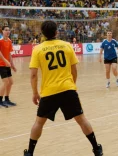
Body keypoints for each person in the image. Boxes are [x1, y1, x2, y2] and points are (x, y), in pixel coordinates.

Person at [24, 21, 103, 156]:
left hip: (49, 91)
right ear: (56, 32)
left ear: (43, 34)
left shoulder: (37, 49)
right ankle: (96, 148)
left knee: (39, 122)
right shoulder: (67, 46)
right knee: (82, 120)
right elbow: (74, 70)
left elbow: (33, 75)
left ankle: (30, 152)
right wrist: (72, 86)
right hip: (68, 89)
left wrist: (35, 93)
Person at [0, 25, 17, 108]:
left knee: (11, 82)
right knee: (6, 82)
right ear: (2, 31)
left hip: (7, 65)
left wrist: (12, 64)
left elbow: (9, 53)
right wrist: (5, 61)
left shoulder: (9, 41)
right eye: (6, 30)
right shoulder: (0, 41)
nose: (8, 31)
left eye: (9, 30)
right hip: (1, 64)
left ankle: (6, 99)